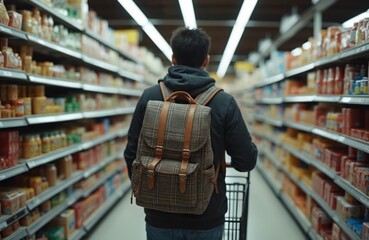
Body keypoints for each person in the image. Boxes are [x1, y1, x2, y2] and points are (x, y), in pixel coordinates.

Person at [124, 27, 258, 240]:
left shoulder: (149, 97)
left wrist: (152, 185)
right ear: (206, 60)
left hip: (159, 216)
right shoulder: (224, 103)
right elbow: (245, 161)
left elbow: (131, 153)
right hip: (206, 216)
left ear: (173, 58)